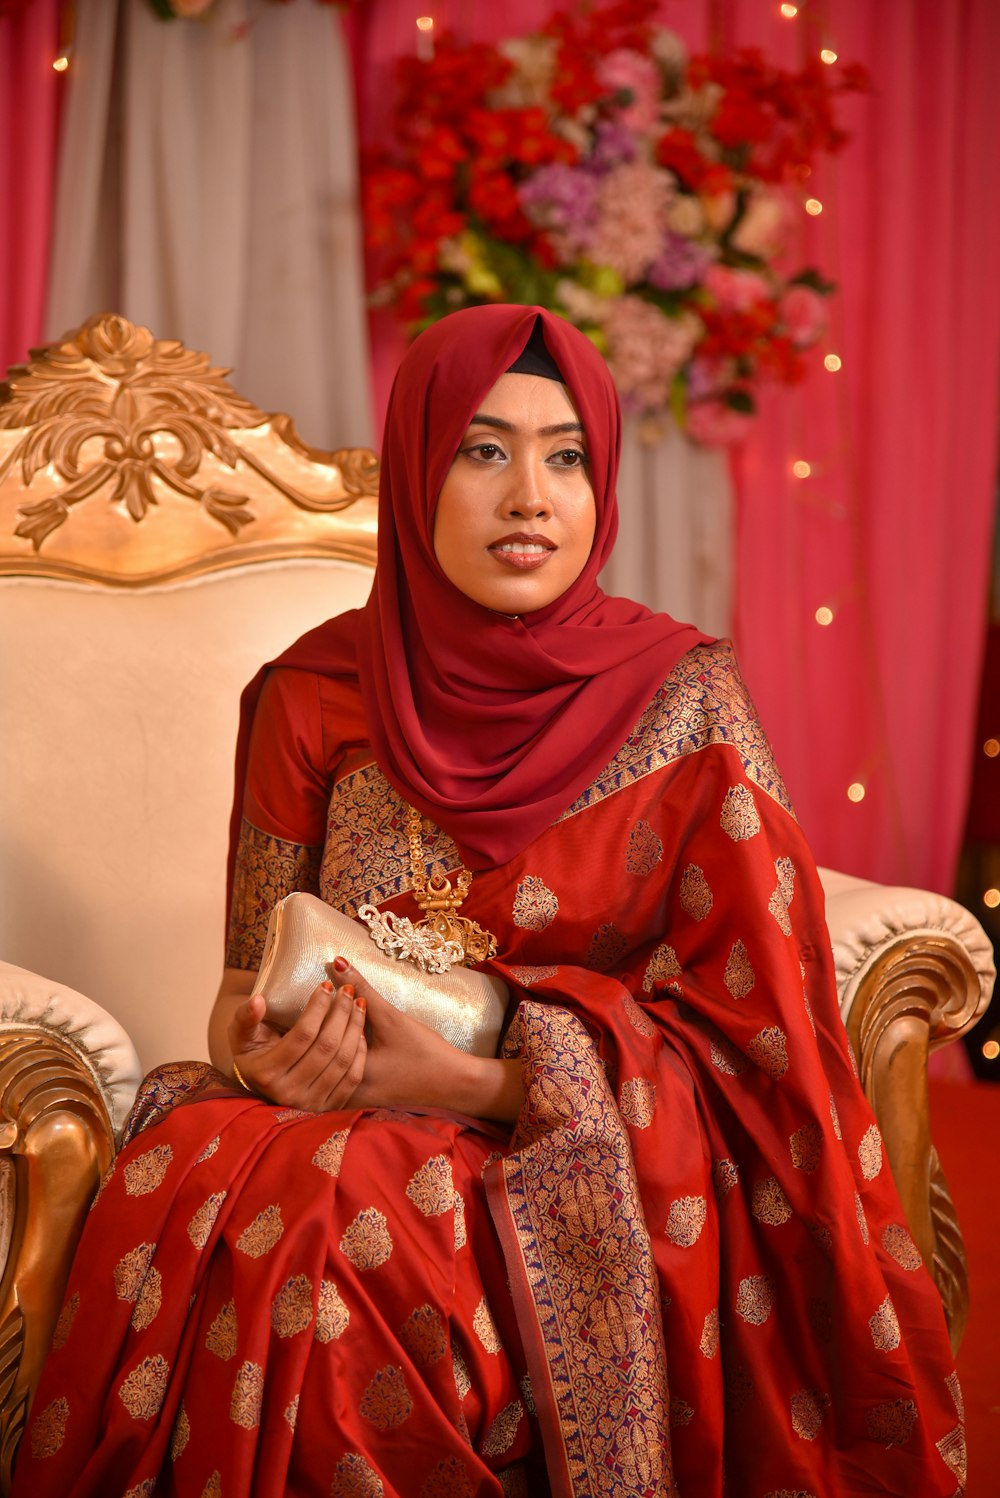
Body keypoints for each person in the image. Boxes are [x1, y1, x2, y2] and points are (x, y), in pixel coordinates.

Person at [16, 305, 963, 1498]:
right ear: (417, 472)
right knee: (228, 1164)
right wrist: (270, 1052)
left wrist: (458, 1083)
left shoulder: (687, 704)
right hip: (330, 1123)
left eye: (566, 455)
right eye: (482, 448)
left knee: (350, 1223)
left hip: (606, 1161)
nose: (531, 495)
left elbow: (769, 1059)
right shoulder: (312, 694)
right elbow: (236, 992)